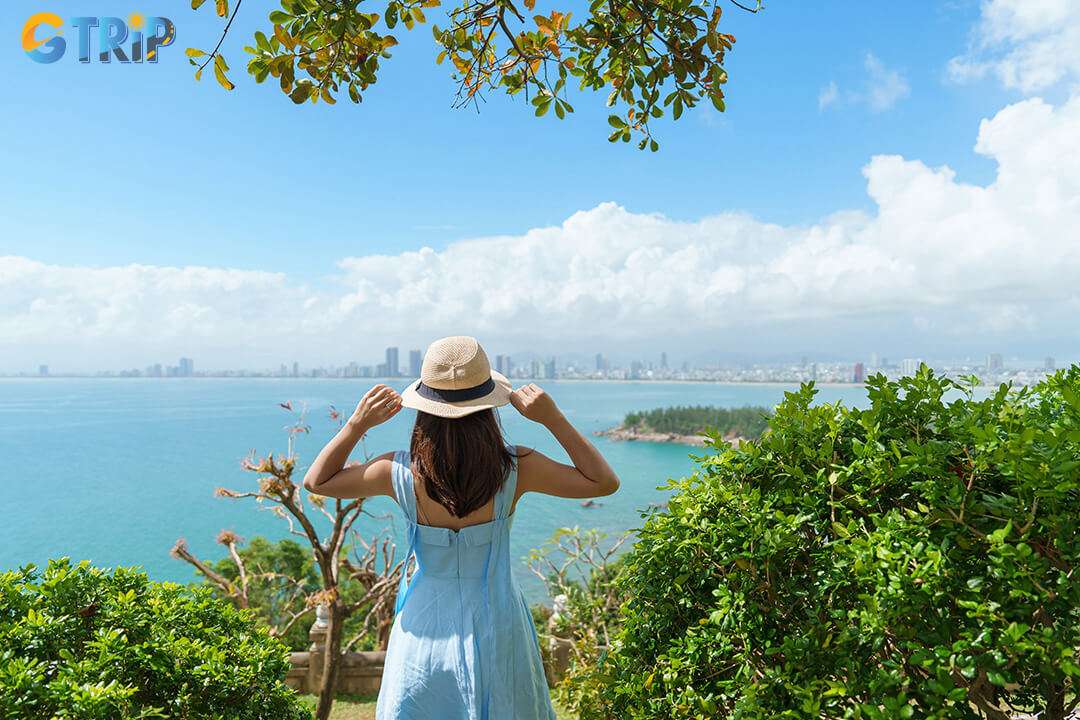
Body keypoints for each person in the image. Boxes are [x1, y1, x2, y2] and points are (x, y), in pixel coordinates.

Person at [302, 336, 619, 720]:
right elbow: (603, 483)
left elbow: (317, 482)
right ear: (490, 407)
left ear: (423, 408)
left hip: (424, 624)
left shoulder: (398, 472)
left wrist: (357, 424)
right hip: (498, 620)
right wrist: (551, 417)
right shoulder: (516, 468)